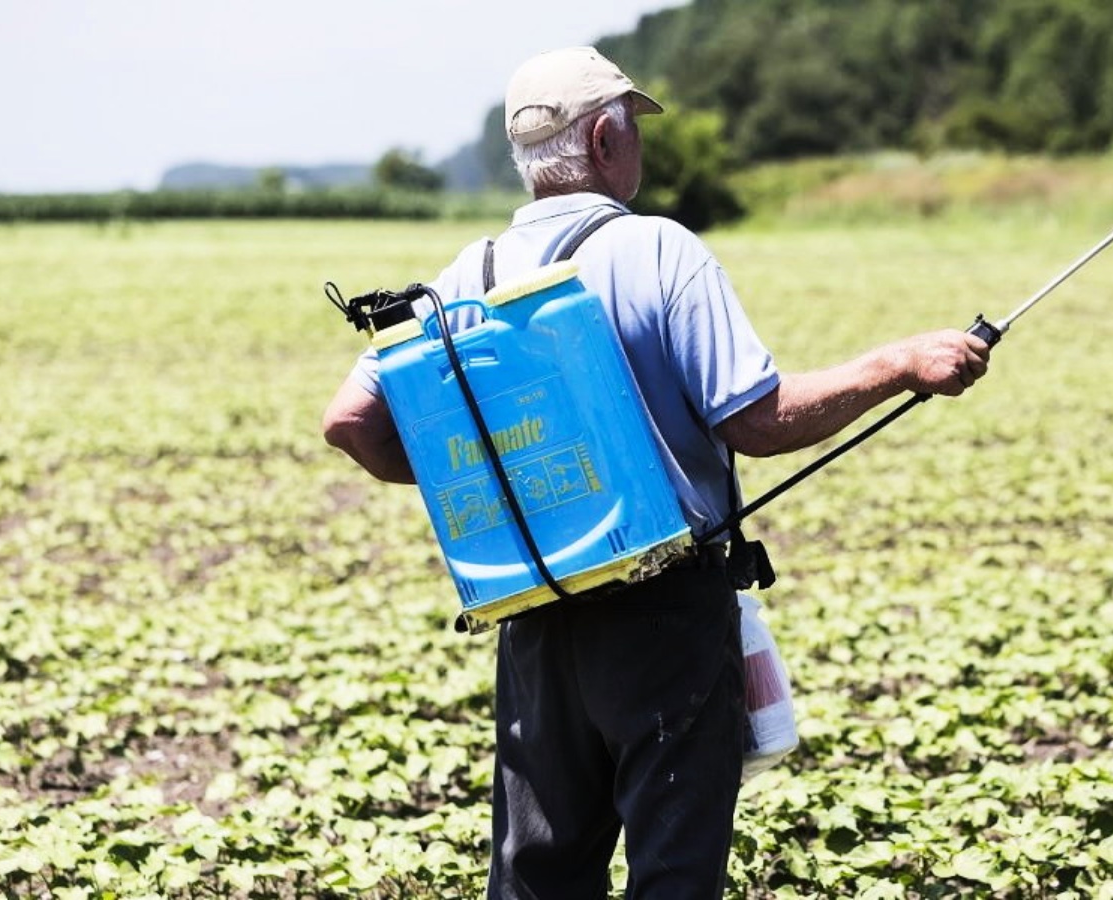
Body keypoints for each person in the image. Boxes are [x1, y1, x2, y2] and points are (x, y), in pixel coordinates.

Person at [321, 45, 991, 900]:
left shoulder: (468, 276)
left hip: (535, 615)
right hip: (660, 615)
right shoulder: (659, 253)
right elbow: (758, 420)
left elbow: (348, 421)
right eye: (632, 125)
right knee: (672, 876)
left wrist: (496, 473)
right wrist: (896, 364)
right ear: (604, 138)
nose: (637, 140)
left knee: (537, 878)